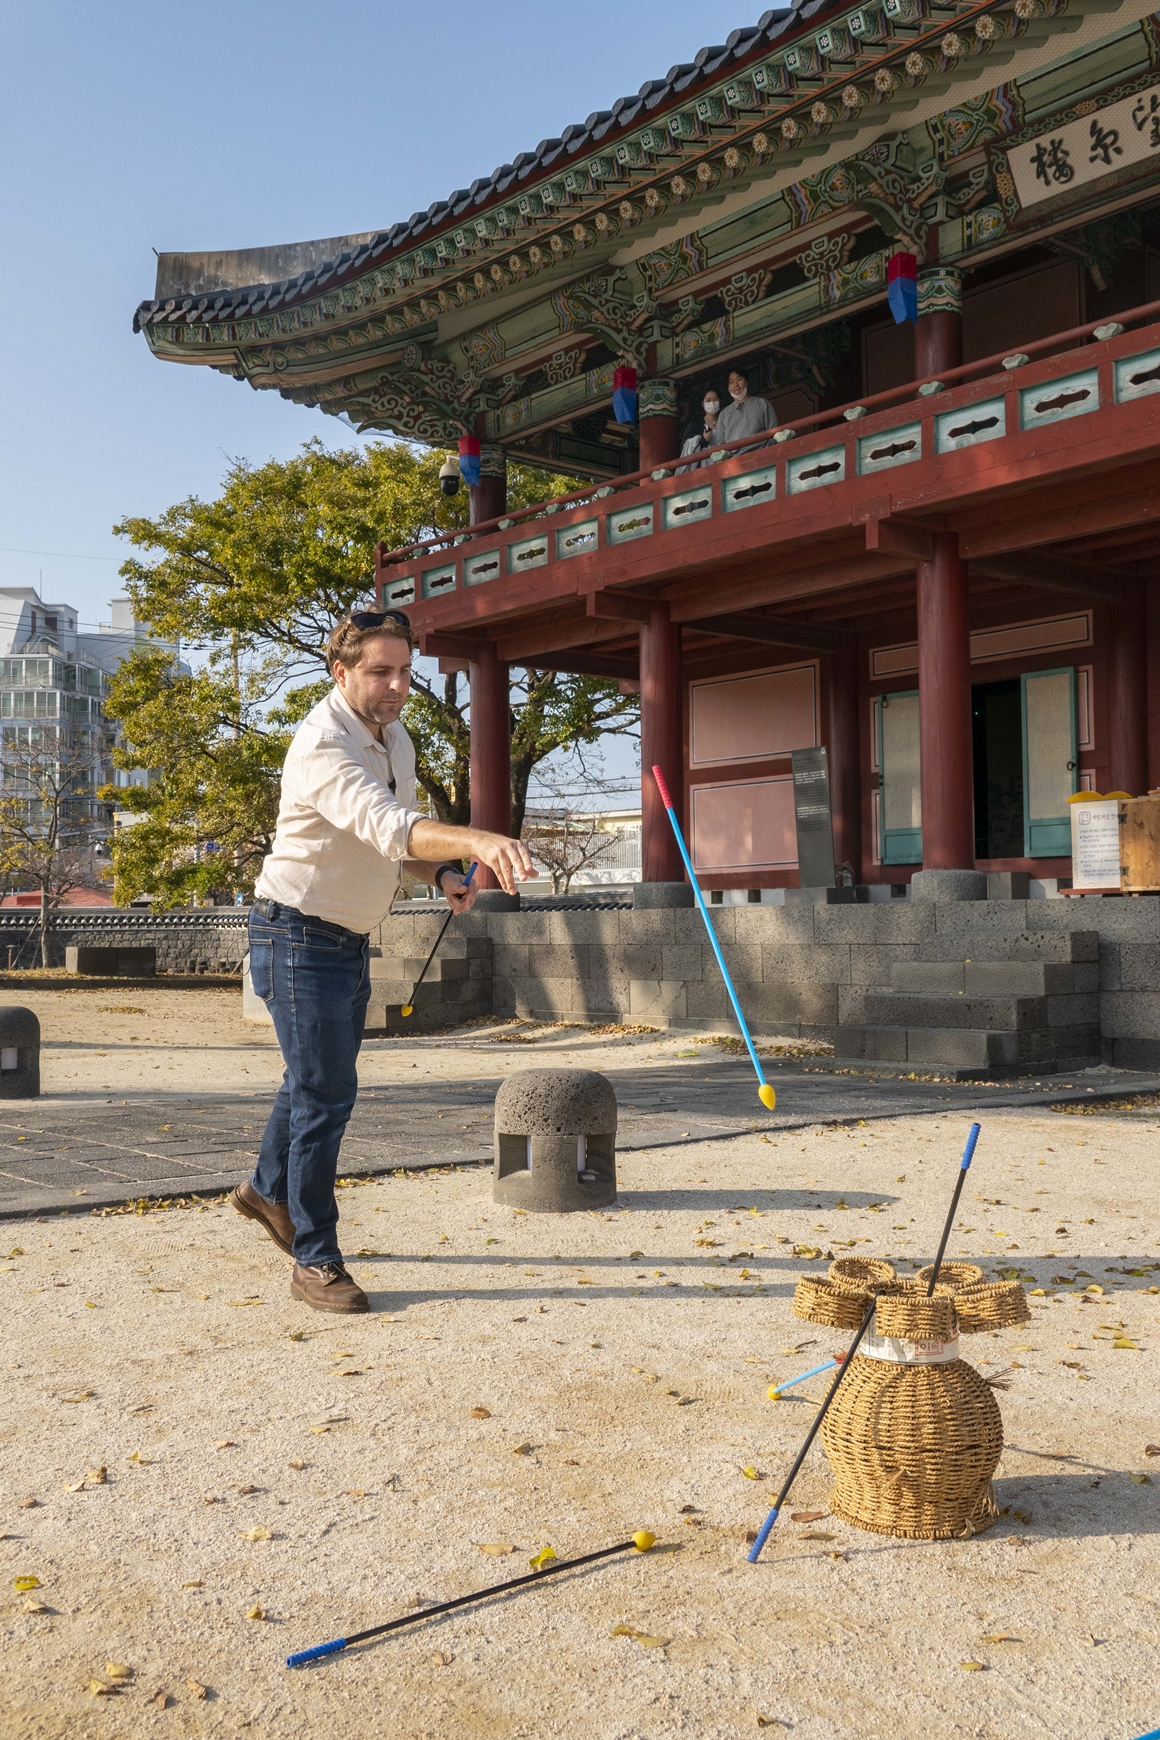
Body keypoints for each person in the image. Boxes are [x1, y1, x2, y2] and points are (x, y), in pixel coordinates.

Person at [233, 608, 534, 1315]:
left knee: (314, 1082)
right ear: (341, 673)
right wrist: (482, 839)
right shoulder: (321, 745)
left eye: (406, 671)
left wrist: (436, 877)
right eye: (381, 672)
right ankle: (315, 1258)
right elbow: (387, 823)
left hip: (345, 937)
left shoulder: (395, 738)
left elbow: (387, 847)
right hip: (295, 935)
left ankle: (264, 1190)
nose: (398, 685)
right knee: (324, 1095)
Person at [713, 368, 778, 454]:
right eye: (731, 382)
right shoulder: (723, 415)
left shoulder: (762, 404)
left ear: (747, 382)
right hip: (735, 461)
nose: (736, 385)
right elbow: (721, 444)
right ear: (728, 388)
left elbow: (773, 431)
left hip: (763, 453)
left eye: (739, 379)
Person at [676, 390, 720, 471]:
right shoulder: (695, 425)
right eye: (708, 400)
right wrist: (703, 441)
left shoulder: (724, 421)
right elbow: (685, 448)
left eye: (715, 399)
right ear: (703, 403)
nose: (712, 403)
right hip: (703, 469)